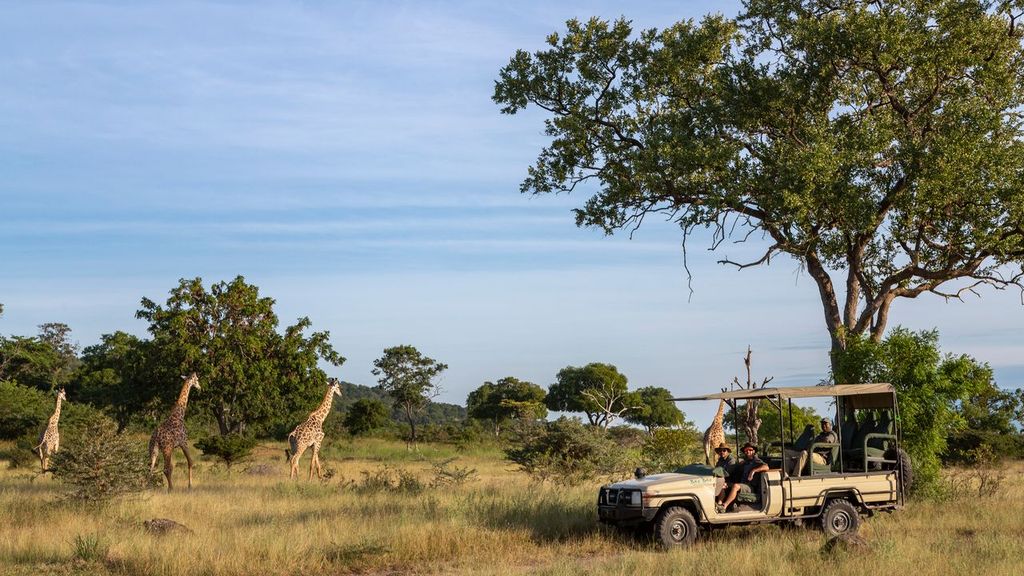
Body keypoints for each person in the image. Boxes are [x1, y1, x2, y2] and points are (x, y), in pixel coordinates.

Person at [717, 442, 768, 512]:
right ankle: (719, 504)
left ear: (754, 451)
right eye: (746, 450)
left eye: (750, 450)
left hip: (750, 486)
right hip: (742, 484)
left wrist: (753, 471)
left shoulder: (756, 460)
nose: (748, 452)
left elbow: (766, 467)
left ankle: (724, 506)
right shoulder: (745, 461)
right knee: (723, 485)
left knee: (735, 486)